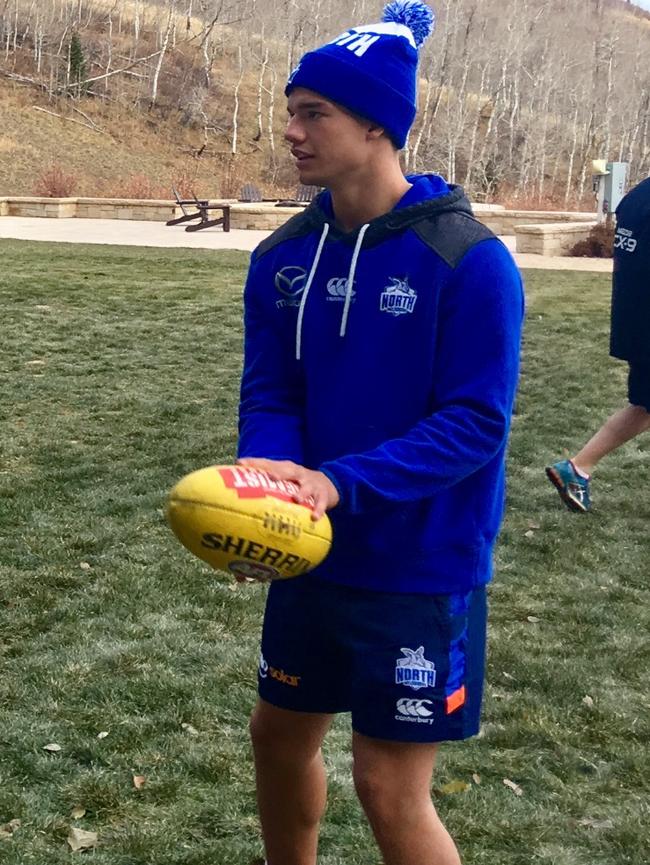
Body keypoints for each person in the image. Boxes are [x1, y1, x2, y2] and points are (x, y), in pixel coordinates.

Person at [236, 2, 524, 863]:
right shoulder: (282, 257)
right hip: (311, 550)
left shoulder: (470, 262)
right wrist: (269, 481)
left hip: (419, 564)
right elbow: (274, 387)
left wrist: (337, 484)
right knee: (277, 736)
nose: (291, 131)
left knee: (387, 784)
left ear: (376, 126)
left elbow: (475, 424)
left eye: (312, 112)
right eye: (291, 110)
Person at [546, 176, 650, 513]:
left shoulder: (638, 196)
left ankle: (578, 468)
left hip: (635, 322)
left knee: (644, 407)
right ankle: (578, 466)